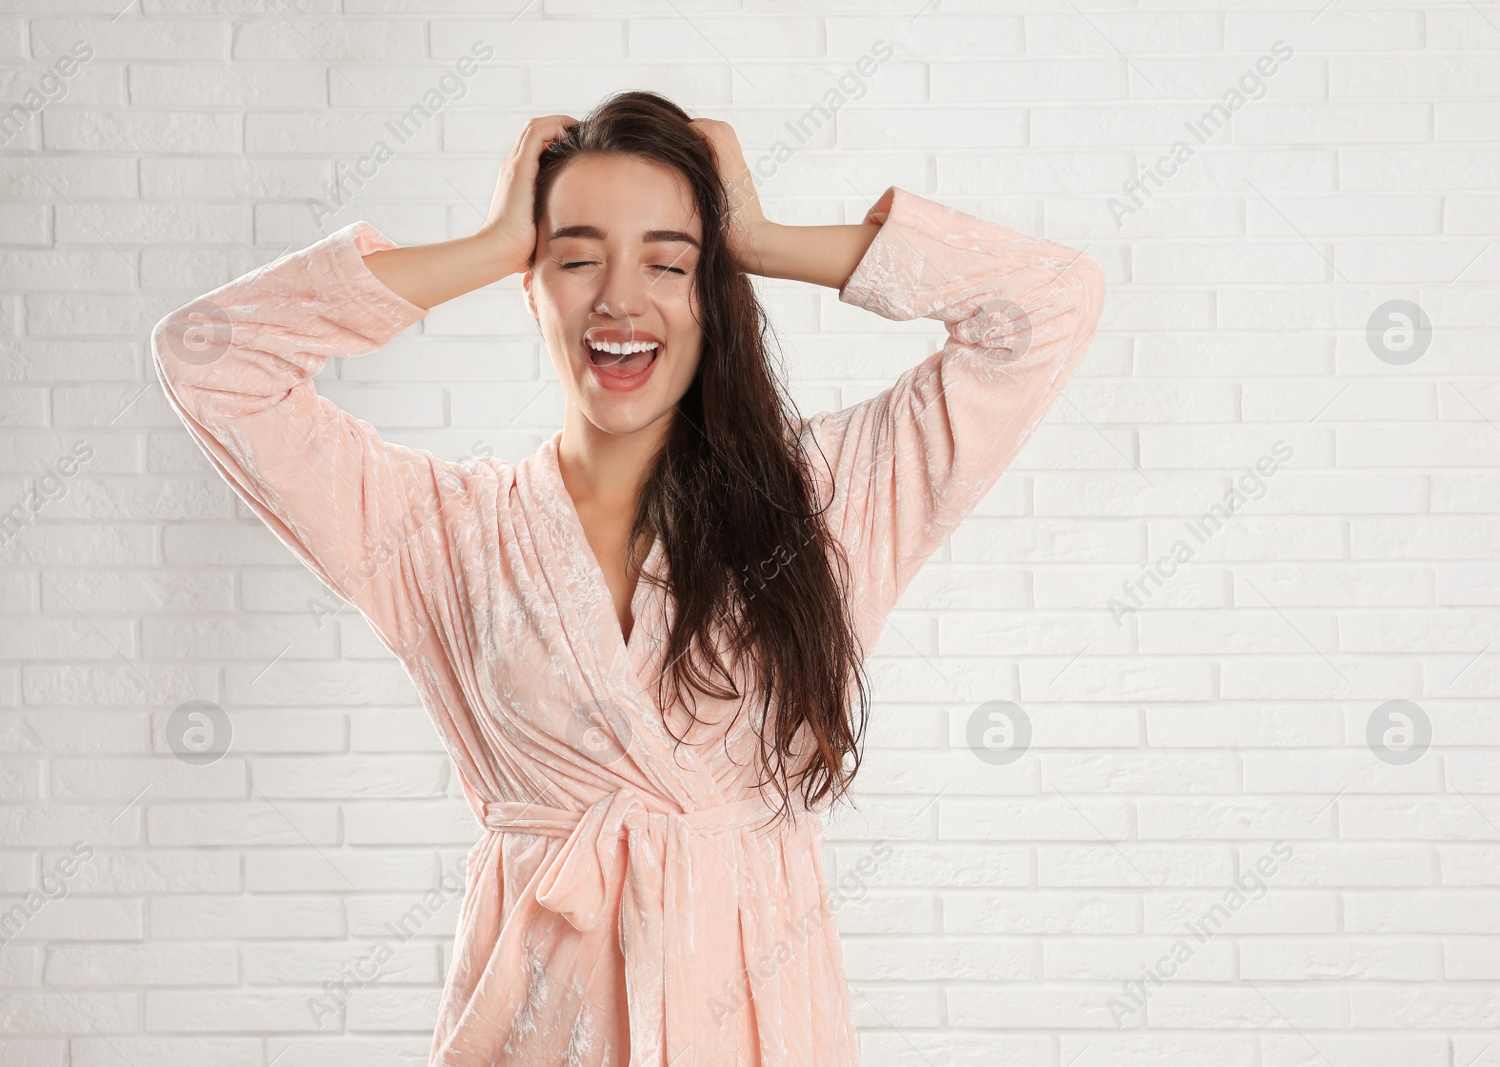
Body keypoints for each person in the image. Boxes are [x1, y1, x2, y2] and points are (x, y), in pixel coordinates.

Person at [150, 89, 1105, 1066]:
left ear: (714, 290)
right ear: (532, 283)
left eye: (668, 261)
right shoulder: (438, 533)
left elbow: (1047, 305)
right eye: (573, 256)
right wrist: (486, 245)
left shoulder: (824, 504)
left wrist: (765, 239)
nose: (617, 296)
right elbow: (208, 361)